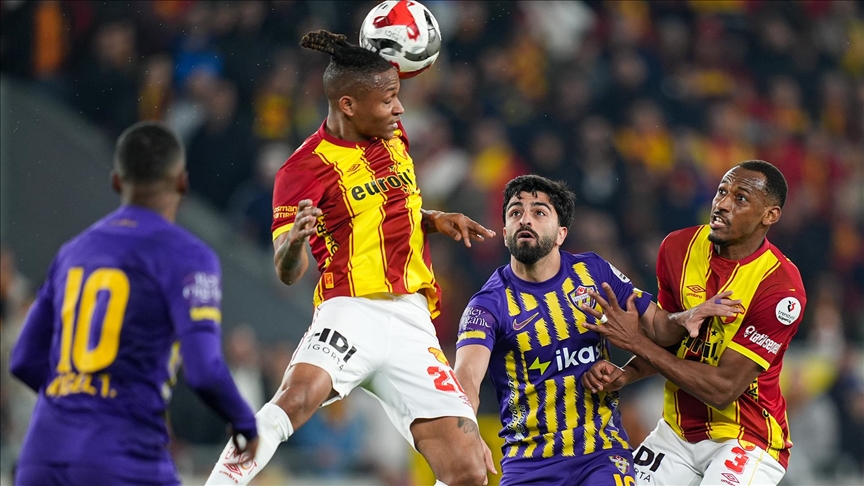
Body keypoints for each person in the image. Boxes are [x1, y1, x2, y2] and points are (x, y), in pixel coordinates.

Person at [206, 30, 495, 486]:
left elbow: (387, 209)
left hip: (412, 319)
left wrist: (433, 219)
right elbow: (287, 270)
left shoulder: (394, 138)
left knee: (469, 470)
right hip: (351, 309)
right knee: (295, 399)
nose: (399, 110)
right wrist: (295, 242)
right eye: (388, 100)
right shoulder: (303, 168)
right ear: (348, 105)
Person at [9, 121, 259, 485]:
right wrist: (245, 423)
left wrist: (77, 401)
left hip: (42, 455)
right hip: (123, 453)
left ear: (116, 181)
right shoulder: (187, 255)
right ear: (182, 182)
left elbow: (23, 360)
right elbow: (204, 369)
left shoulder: (73, 252)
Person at [453, 175, 739, 486]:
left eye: (539, 212)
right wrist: (466, 433)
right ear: (505, 232)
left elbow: (659, 328)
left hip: (601, 454)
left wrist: (684, 318)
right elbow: (466, 377)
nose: (525, 219)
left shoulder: (592, 272)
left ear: (561, 233)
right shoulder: (489, 303)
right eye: (515, 212)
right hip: (528, 464)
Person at [582, 160, 806, 486]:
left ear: (769, 215)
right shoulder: (678, 248)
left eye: (741, 198)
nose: (722, 204)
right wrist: (627, 373)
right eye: (722, 191)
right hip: (677, 433)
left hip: (746, 438)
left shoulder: (781, 289)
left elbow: (723, 389)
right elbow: (671, 340)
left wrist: (635, 342)